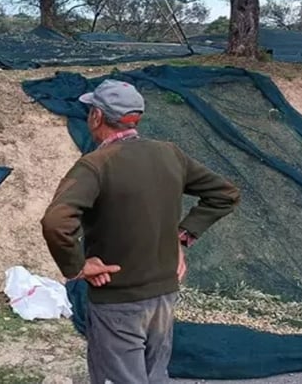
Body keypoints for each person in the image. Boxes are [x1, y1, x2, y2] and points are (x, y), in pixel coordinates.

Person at [40, 79, 241, 384]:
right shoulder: (170, 154)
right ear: (136, 118)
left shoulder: (96, 164)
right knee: (154, 375)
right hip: (163, 294)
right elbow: (225, 194)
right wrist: (182, 237)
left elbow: (56, 222)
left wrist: (77, 266)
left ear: (96, 117)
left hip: (118, 299)